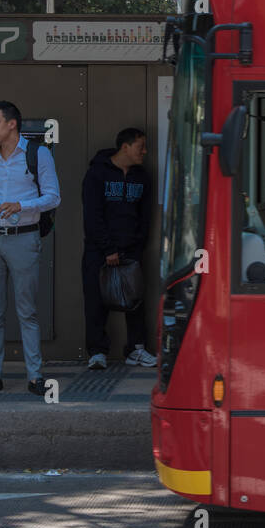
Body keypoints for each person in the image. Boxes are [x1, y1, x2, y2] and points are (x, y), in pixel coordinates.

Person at [0, 100, 61, 397]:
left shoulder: (37, 154)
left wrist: (22, 205)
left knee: (27, 311)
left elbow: (54, 197)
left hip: (24, 237)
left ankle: (35, 376)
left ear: (11, 124)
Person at [81, 128, 157, 370]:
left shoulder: (141, 177)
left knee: (135, 300)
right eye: (140, 146)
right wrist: (107, 248)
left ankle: (136, 349)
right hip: (99, 251)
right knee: (96, 300)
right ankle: (97, 352)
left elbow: (145, 216)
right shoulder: (97, 174)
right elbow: (92, 216)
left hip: (131, 250)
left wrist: (137, 246)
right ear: (125, 147)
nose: (144, 152)